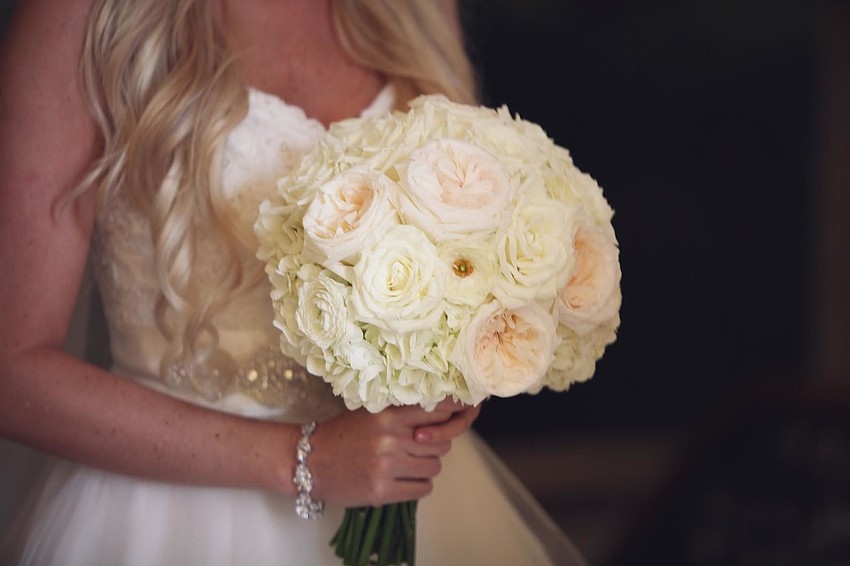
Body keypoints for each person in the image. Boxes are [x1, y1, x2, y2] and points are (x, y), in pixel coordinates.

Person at [0, 0, 586, 564]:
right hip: (172, 510)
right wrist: (301, 458)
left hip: (413, 489)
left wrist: (458, 353)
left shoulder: (418, 8)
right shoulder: (86, 13)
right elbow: (13, 365)